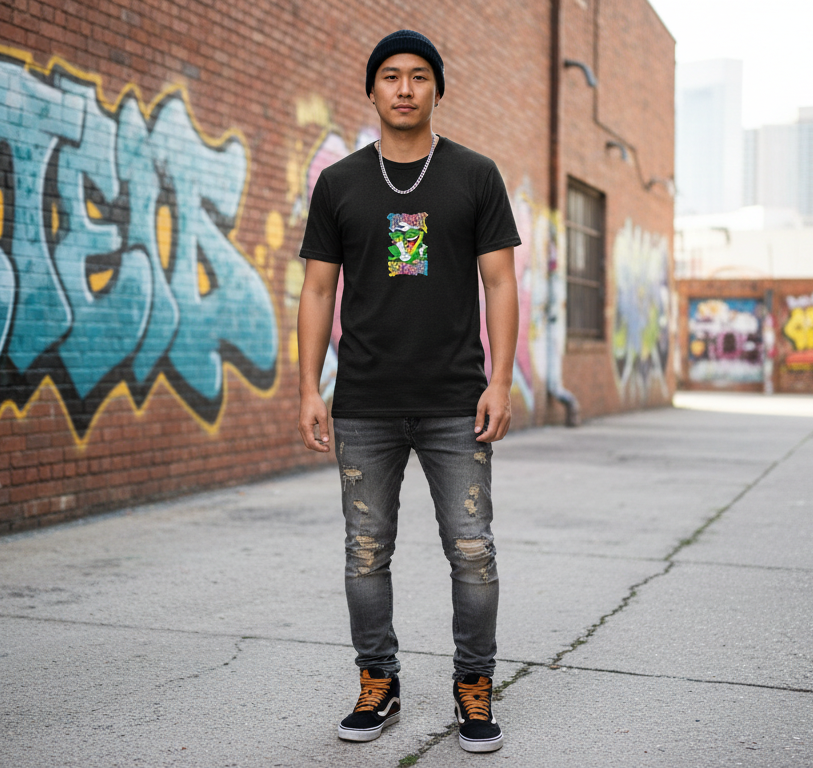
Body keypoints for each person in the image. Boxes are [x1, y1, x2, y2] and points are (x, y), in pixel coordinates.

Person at [295, 29, 521, 754]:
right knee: (366, 552)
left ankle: (474, 686)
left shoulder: (475, 175)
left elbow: (500, 282)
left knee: (472, 551)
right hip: (364, 401)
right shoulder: (339, 183)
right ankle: (379, 683)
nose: (403, 88)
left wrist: (501, 380)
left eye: (419, 76)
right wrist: (309, 388)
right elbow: (317, 289)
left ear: (437, 90)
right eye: (390, 75)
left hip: (457, 401)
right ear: (372, 90)